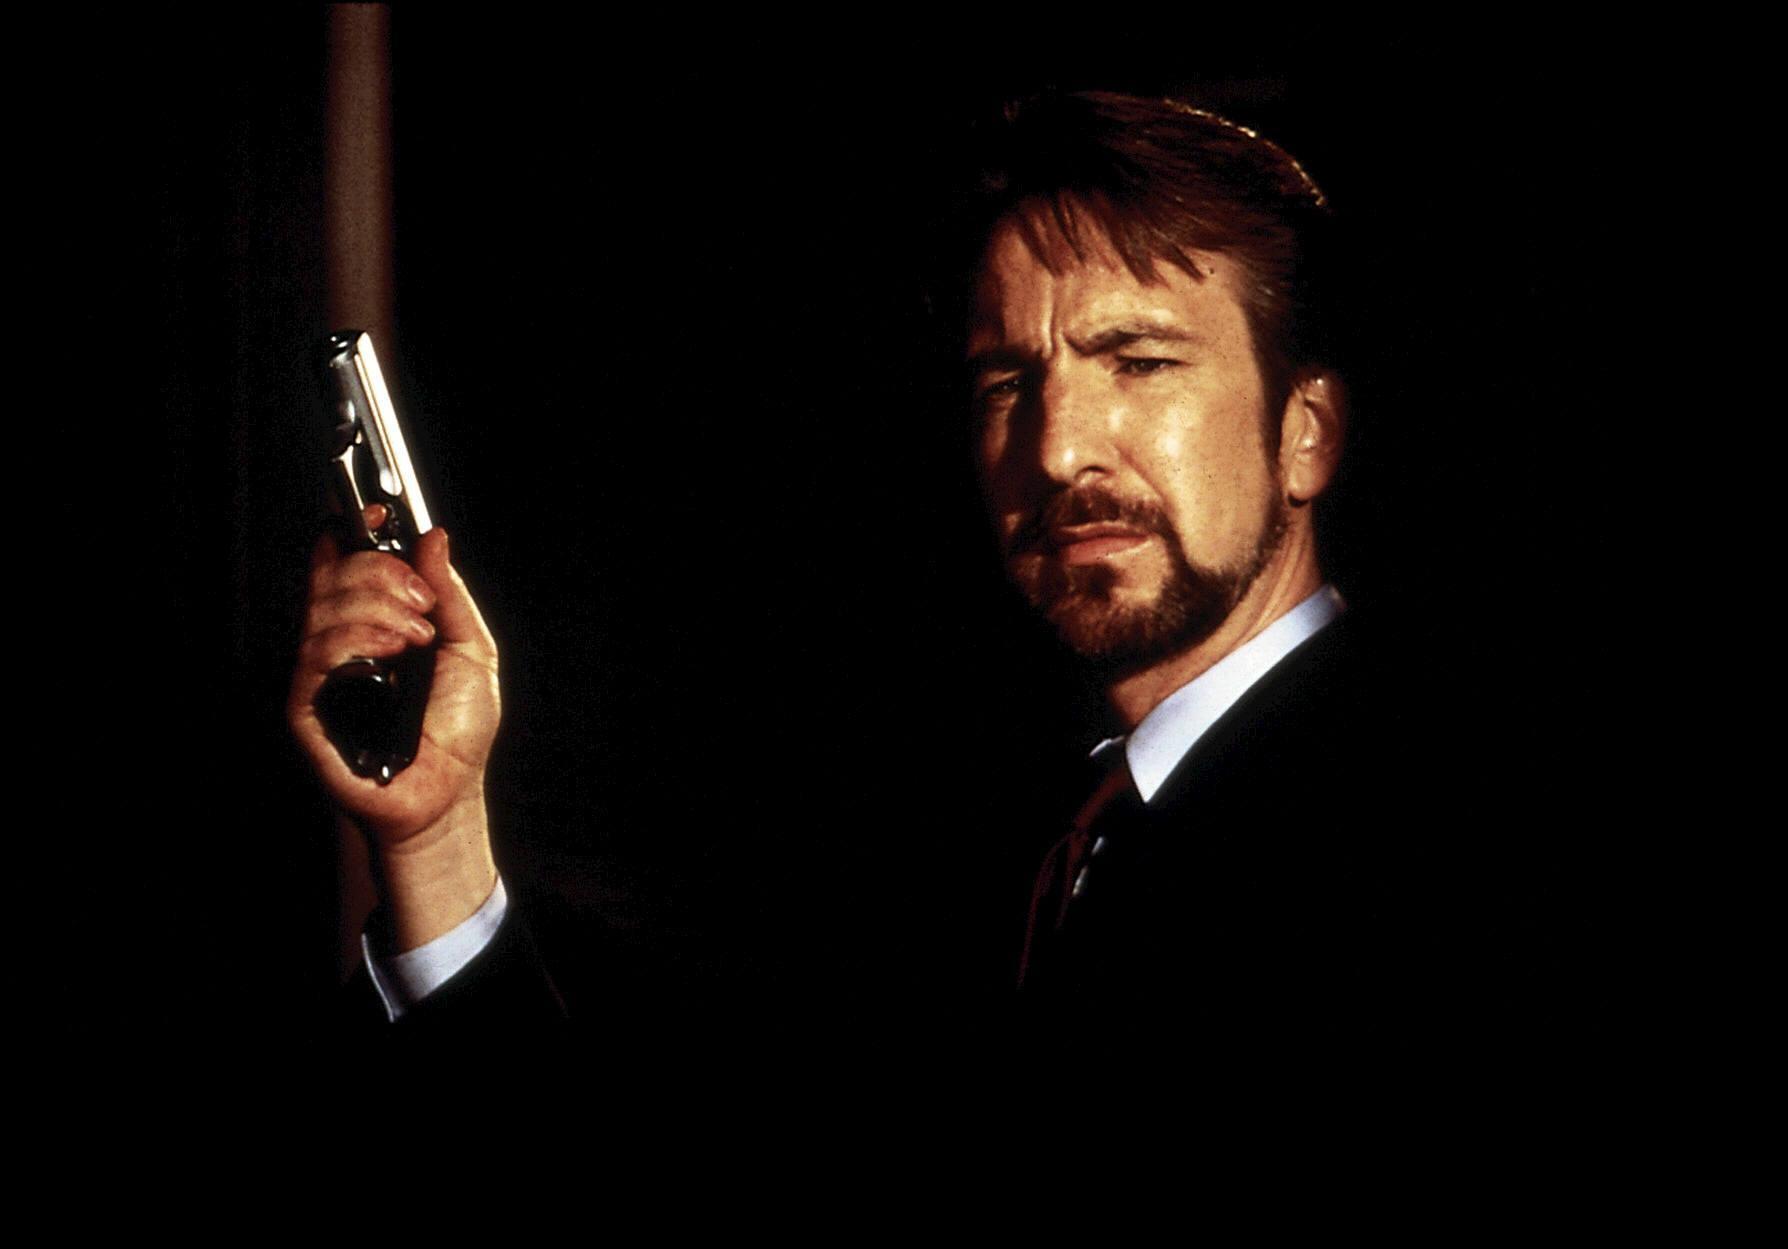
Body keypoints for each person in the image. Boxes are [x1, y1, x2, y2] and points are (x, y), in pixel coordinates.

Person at [291, 90, 1563, 1043]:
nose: (1056, 447)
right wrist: (436, 837)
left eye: (1139, 362)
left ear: (1307, 433)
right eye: (1009, 382)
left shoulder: (1439, 842)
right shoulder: (1008, 846)